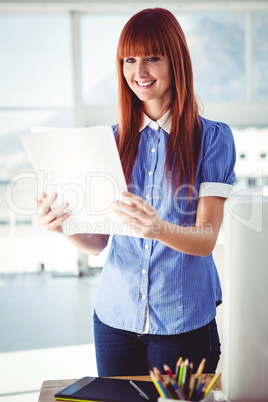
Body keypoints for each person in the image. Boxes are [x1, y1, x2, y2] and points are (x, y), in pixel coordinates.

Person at [35, 8, 236, 377]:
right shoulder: (110, 141)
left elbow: (206, 239)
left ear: (175, 60)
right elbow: (98, 242)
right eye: (129, 60)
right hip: (115, 321)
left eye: (152, 58)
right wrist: (64, 226)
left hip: (183, 324)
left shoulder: (211, 139)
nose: (139, 72)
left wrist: (156, 228)